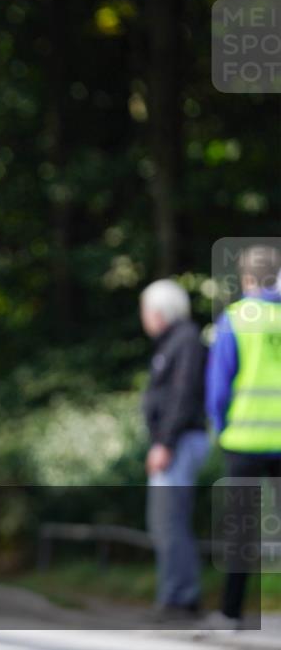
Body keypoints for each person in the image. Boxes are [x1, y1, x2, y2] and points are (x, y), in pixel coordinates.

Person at [206, 245, 281, 629]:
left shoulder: (236, 319)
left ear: (247, 279)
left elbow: (219, 387)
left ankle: (231, 613)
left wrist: (221, 429)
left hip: (245, 441)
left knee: (241, 533)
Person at [139, 279, 209, 620]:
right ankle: (177, 596)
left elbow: (182, 396)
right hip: (174, 441)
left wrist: (165, 442)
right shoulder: (174, 342)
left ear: (158, 311)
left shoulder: (185, 341)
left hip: (179, 442)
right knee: (166, 521)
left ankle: (180, 599)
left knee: (169, 522)